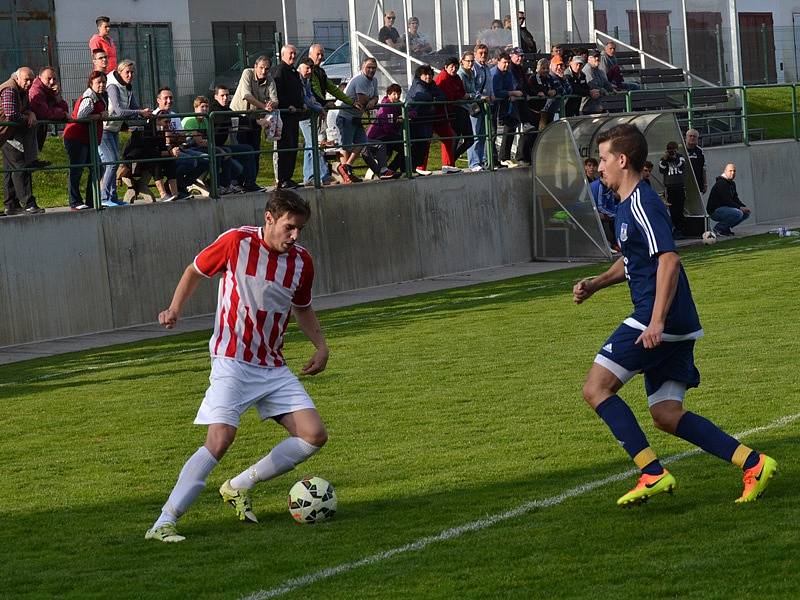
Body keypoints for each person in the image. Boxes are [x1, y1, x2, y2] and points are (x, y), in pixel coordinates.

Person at [572, 123, 777, 508]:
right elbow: (636, 260)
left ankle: (651, 472)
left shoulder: (642, 204)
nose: (598, 168)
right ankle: (755, 463)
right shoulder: (626, 205)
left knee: (595, 388)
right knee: (666, 414)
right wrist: (597, 283)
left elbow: (669, 260)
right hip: (676, 323)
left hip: (657, 319)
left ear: (621, 160)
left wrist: (656, 321)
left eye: (602, 159)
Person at [145, 190, 330, 543]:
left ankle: (238, 485)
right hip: (232, 360)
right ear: (270, 219)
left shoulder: (302, 262)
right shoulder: (236, 242)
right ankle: (164, 521)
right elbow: (195, 270)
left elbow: (302, 306)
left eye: (300, 230)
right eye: (290, 228)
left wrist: (321, 345)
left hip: (272, 366)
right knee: (220, 439)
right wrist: (174, 309)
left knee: (313, 435)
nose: (296, 237)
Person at [100, 60, 151, 206]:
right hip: (104, 129)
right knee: (112, 162)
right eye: (127, 72)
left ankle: (113, 197)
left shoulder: (128, 88)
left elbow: (134, 108)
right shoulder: (113, 87)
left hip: (114, 129)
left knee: (113, 162)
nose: (130, 75)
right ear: (120, 72)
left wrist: (146, 113)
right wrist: (139, 112)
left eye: (132, 72)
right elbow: (119, 110)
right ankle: (105, 198)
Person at [1, 66, 45, 216]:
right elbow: (12, 115)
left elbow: (22, 108)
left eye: (32, 80)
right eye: (26, 80)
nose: (29, 83)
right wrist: (28, 118)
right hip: (9, 134)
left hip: (8, 134)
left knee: (9, 169)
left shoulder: (20, 89)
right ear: (17, 77)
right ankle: (29, 203)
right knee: (20, 167)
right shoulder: (10, 89)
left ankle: (10, 205)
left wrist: (30, 112)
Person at [230, 55, 278, 188]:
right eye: (261, 67)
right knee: (241, 149)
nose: (264, 71)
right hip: (239, 116)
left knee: (255, 150)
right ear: (255, 67)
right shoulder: (247, 73)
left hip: (256, 117)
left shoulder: (269, 79)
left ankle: (251, 182)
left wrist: (271, 105)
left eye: (267, 69)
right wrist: (264, 106)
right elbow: (246, 95)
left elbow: (275, 99)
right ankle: (238, 182)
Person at [62, 71, 107, 211]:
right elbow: (80, 116)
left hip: (88, 140)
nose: (101, 85)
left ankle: (91, 199)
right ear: (91, 83)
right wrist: (99, 115)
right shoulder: (89, 98)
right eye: (98, 82)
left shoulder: (100, 97)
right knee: (77, 169)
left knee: (98, 167)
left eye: (104, 82)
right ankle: (74, 201)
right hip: (77, 138)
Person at [210, 84, 259, 193]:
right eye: (222, 95)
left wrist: (254, 121)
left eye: (227, 95)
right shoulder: (214, 109)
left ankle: (250, 183)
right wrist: (253, 121)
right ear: (216, 97)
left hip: (221, 146)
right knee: (235, 164)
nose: (225, 98)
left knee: (248, 149)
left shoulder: (226, 108)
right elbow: (228, 118)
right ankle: (220, 183)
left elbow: (238, 118)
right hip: (213, 147)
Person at [297, 58, 334, 186]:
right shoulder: (298, 79)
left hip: (308, 114)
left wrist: (319, 106)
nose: (309, 71)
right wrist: (319, 108)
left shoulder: (306, 80)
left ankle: (308, 177)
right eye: (306, 68)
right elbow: (304, 99)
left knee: (309, 145)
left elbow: (310, 96)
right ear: (300, 67)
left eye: (311, 68)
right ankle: (324, 176)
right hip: (302, 115)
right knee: (314, 143)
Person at [273, 45, 304, 190]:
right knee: (284, 148)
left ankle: (288, 177)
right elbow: (278, 93)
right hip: (285, 115)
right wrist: (288, 105)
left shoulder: (293, 72)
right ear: (283, 54)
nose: (293, 56)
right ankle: (282, 178)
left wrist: (300, 104)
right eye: (290, 53)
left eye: (294, 54)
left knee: (292, 147)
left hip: (294, 115)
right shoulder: (280, 71)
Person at [407, 64, 445, 176]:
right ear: (420, 76)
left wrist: (432, 98)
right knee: (416, 144)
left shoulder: (432, 84)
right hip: (416, 119)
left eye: (430, 74)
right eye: (425, 74)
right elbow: (422, 95)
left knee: (423, 143)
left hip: (426, 118)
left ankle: (415, 168)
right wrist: (433, 98)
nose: (428, 77)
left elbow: (442, 96)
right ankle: (411, 168)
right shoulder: (418, 83)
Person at [434, 56, 470, 172]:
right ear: (446, 67)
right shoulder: (442, 78)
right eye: (452, 67)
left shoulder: (456, 77)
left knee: (467, 138)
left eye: (456, 67)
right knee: (451, 138)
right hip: (447, 113)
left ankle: (451, 161)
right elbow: (451, 96)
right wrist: (461, 96)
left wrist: (463, 96)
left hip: (457, 110)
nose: (454, 69)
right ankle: (448, 164)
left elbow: (461, 93)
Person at [490, 52, 523, 168]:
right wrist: (511, 93)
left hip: (505, 105)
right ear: (498, 61)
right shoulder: (495, 74)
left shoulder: (508, 73)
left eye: (508, 63)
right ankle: (493, 159)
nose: (506, 65)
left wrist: (511, 93)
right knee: (492, 132)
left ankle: (504, 157)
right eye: (504, 62)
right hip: (494, 105)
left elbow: (509, 87)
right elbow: (496, 91)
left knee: (512, 124)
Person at [366, 83, 405, 176]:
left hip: (384, 136)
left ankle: (387, 169)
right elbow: (387, 127)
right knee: (405, 146)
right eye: (394, 94)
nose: (397, 96)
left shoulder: (396, 104)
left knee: (398, 146)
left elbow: (409, 110)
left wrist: (407, 115)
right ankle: (391, 169)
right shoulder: (386, 107)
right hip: (378, 137)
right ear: (389, 94)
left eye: (398, 94)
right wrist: (397, 122)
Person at [466, 44, 493, 172]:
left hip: (486, 105)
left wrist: (491, 96)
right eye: (481, 53)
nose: (483, 55)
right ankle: (473, 162)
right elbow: (472, 86)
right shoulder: (474, 68)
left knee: (483, 134)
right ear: (475, 54)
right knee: (475, 134)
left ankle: (481, 160)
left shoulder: (486, 68)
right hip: (476, 105)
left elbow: (489, 85)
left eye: (485, 53)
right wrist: (480, 97)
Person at [28, 66, 68, 152]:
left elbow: (64, 109)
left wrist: (57, 96)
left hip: (36, 132)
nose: (52, 82)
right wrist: (63, 114)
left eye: (54, 79)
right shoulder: (36, 91)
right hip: (29, 133)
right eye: (49, 78)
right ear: (40, 78)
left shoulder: (48, 91)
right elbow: (45, 114)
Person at [706, 163, 750, 236]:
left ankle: (725, 228)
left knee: (746, 213)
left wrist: (744, 206)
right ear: (725, 171)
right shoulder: (721, 184)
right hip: (715, 211)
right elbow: (727, 201)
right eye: (730, 171)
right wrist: (740, 208)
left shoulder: (732, 184)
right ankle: (718, 228)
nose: (732, 173)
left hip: (725, 208)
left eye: (734, 171)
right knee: (738, 213)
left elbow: (735, 198)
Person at [658, 141, 687, 238]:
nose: (671, 152)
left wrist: (674, 158)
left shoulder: (680, 156)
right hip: (669, 187)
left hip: (679, 185)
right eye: (670, 150)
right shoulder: (664, 158)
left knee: (680, 208)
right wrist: (665, 159)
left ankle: (681, 229)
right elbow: (661, 169)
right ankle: (674, 228)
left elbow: (682, 166)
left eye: (673, 150)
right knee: (672, 209)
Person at [685, 128, 707, 194]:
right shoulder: (681, 149)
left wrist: (705, 183)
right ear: (686, 137)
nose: (692, 138)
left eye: (694, 136)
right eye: (690, 136)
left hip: (697, 183)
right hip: (684, 184)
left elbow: (703, 168)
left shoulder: (700, 151)